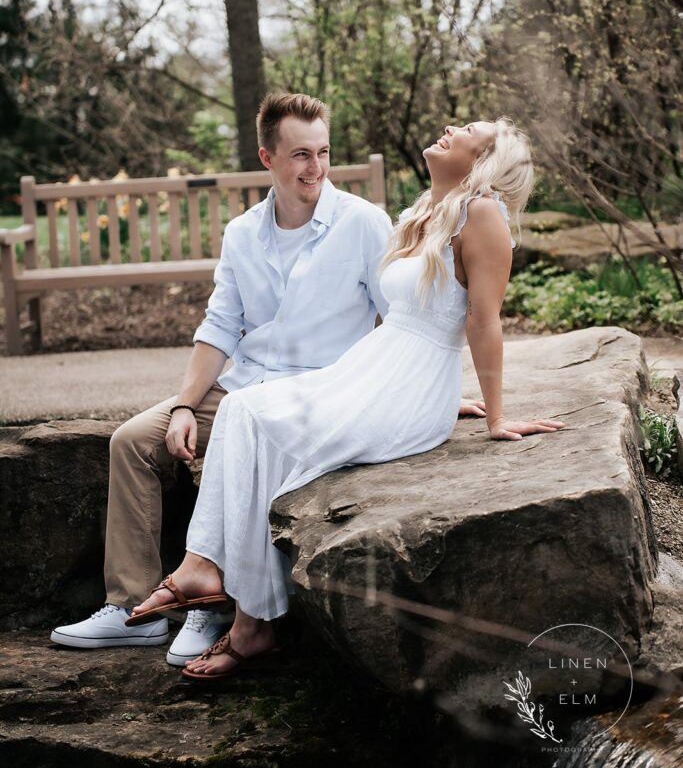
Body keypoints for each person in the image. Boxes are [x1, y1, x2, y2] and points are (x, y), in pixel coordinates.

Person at [50, 92, 486, 665]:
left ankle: (212, 607)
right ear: (268, 158)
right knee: (133, 441)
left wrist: (422, 397)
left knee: (249, 441)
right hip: (246, 384)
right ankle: (131, 608)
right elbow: (220, 326)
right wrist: (184, 404)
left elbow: (402, 317)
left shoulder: (361, 223)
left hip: (323, 390)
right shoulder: (243, 234)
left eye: (323, 152)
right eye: (301, 155)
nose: (316, 167)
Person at [126, 116, 566, 682]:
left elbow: (483, 321)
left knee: (262, 426)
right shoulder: (426, 212)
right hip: (374, 370)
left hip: (407, 387)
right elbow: (408, 311)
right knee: (243, 410)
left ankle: (225, 595)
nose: (449, 126)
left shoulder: (483, 215)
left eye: (467, 130)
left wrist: (493, 415)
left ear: (482, 161)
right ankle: (225, 592)